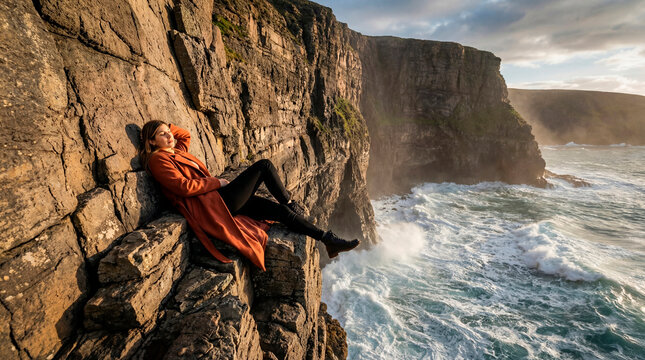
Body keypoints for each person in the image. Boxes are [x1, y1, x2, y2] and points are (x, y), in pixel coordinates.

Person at [139, 120, 359, 271]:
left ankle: (327, 240)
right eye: (162, 134)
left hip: (219, 198)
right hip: (215, 204)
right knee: (263, 166)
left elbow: (184, 134)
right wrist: (217, 181)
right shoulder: (158, 160)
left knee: (280, 212)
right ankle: (290, 201)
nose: (169, 135)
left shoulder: (176, 152)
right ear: (150, 141)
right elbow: (182, 187)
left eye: (168, 132)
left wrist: (165, 128)